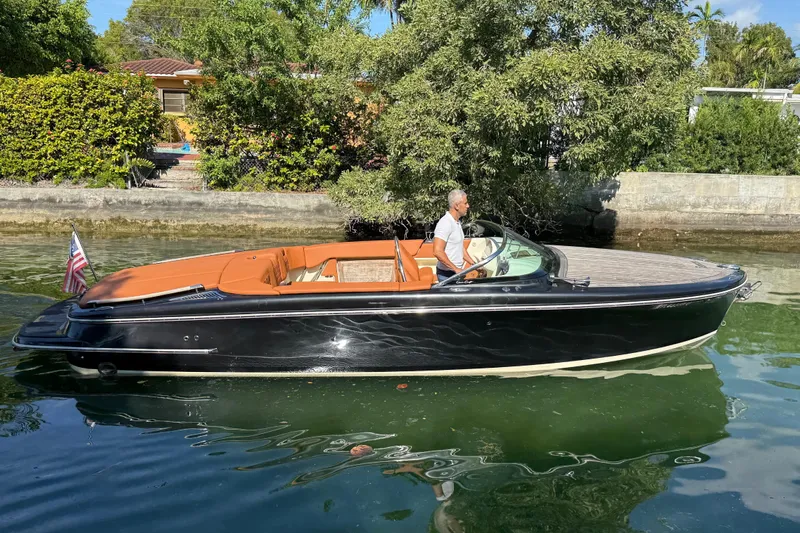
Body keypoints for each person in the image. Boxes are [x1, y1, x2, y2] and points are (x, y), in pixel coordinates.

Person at [433, 189, 474, 282]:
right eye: (465, 203)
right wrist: (456, 269)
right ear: (456, 206)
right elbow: (437, 251)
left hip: (455, 274)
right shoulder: (445, 223)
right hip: (447, 275)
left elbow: (459, 248)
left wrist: (473, 264)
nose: (468, 206)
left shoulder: (456, 222)